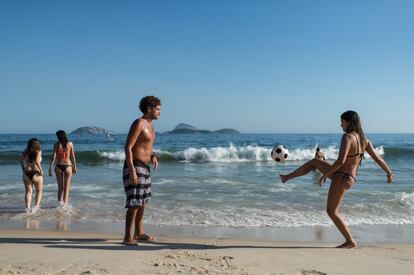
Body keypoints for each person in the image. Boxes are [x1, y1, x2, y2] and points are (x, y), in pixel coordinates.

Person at [279, 111, 394, 248]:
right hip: (347, 177)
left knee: (332, 211)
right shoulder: (364, 140)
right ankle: (287, 177)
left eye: (342, 122)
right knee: (314, 162)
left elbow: (340, 161)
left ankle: (350, 241)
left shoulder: (347, 137)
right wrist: (389, 173)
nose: (341, 125)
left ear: (349, 122)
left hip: (341, 177)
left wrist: (325, 174)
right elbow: (378, 159)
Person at [122, 95, 160, 246]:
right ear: (149, 109)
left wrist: (153, 155)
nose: (159, 112)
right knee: (135, 202)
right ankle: (127, 237)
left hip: (145, 167)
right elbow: (128, 147)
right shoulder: (139, 123)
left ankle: (138, 233)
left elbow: (145, 146)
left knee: (143, 202)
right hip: (135, 166)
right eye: (157, 109)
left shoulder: (151, 126)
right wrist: (131, 170)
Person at [49, 130, 77, 207]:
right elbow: (73, 156)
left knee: (60, 188)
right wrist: (75, 167)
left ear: (58, 136)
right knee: (66, 188)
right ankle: (65, 205)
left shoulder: (56, 144)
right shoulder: (70, 144)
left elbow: (53, 157)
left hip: (58, 166)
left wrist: (50, 168)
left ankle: (59, 205)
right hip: (68, 166)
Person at [19, 138, 44, 214]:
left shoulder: (25, 152)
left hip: (27, 172)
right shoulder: (38, 151)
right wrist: (41, 170)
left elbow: (20, 160)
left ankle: (27, 208)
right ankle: (36, 207)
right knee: (39, 191)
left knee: (28, 191)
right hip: (36, 172)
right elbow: (37, 161)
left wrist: (23, 168)